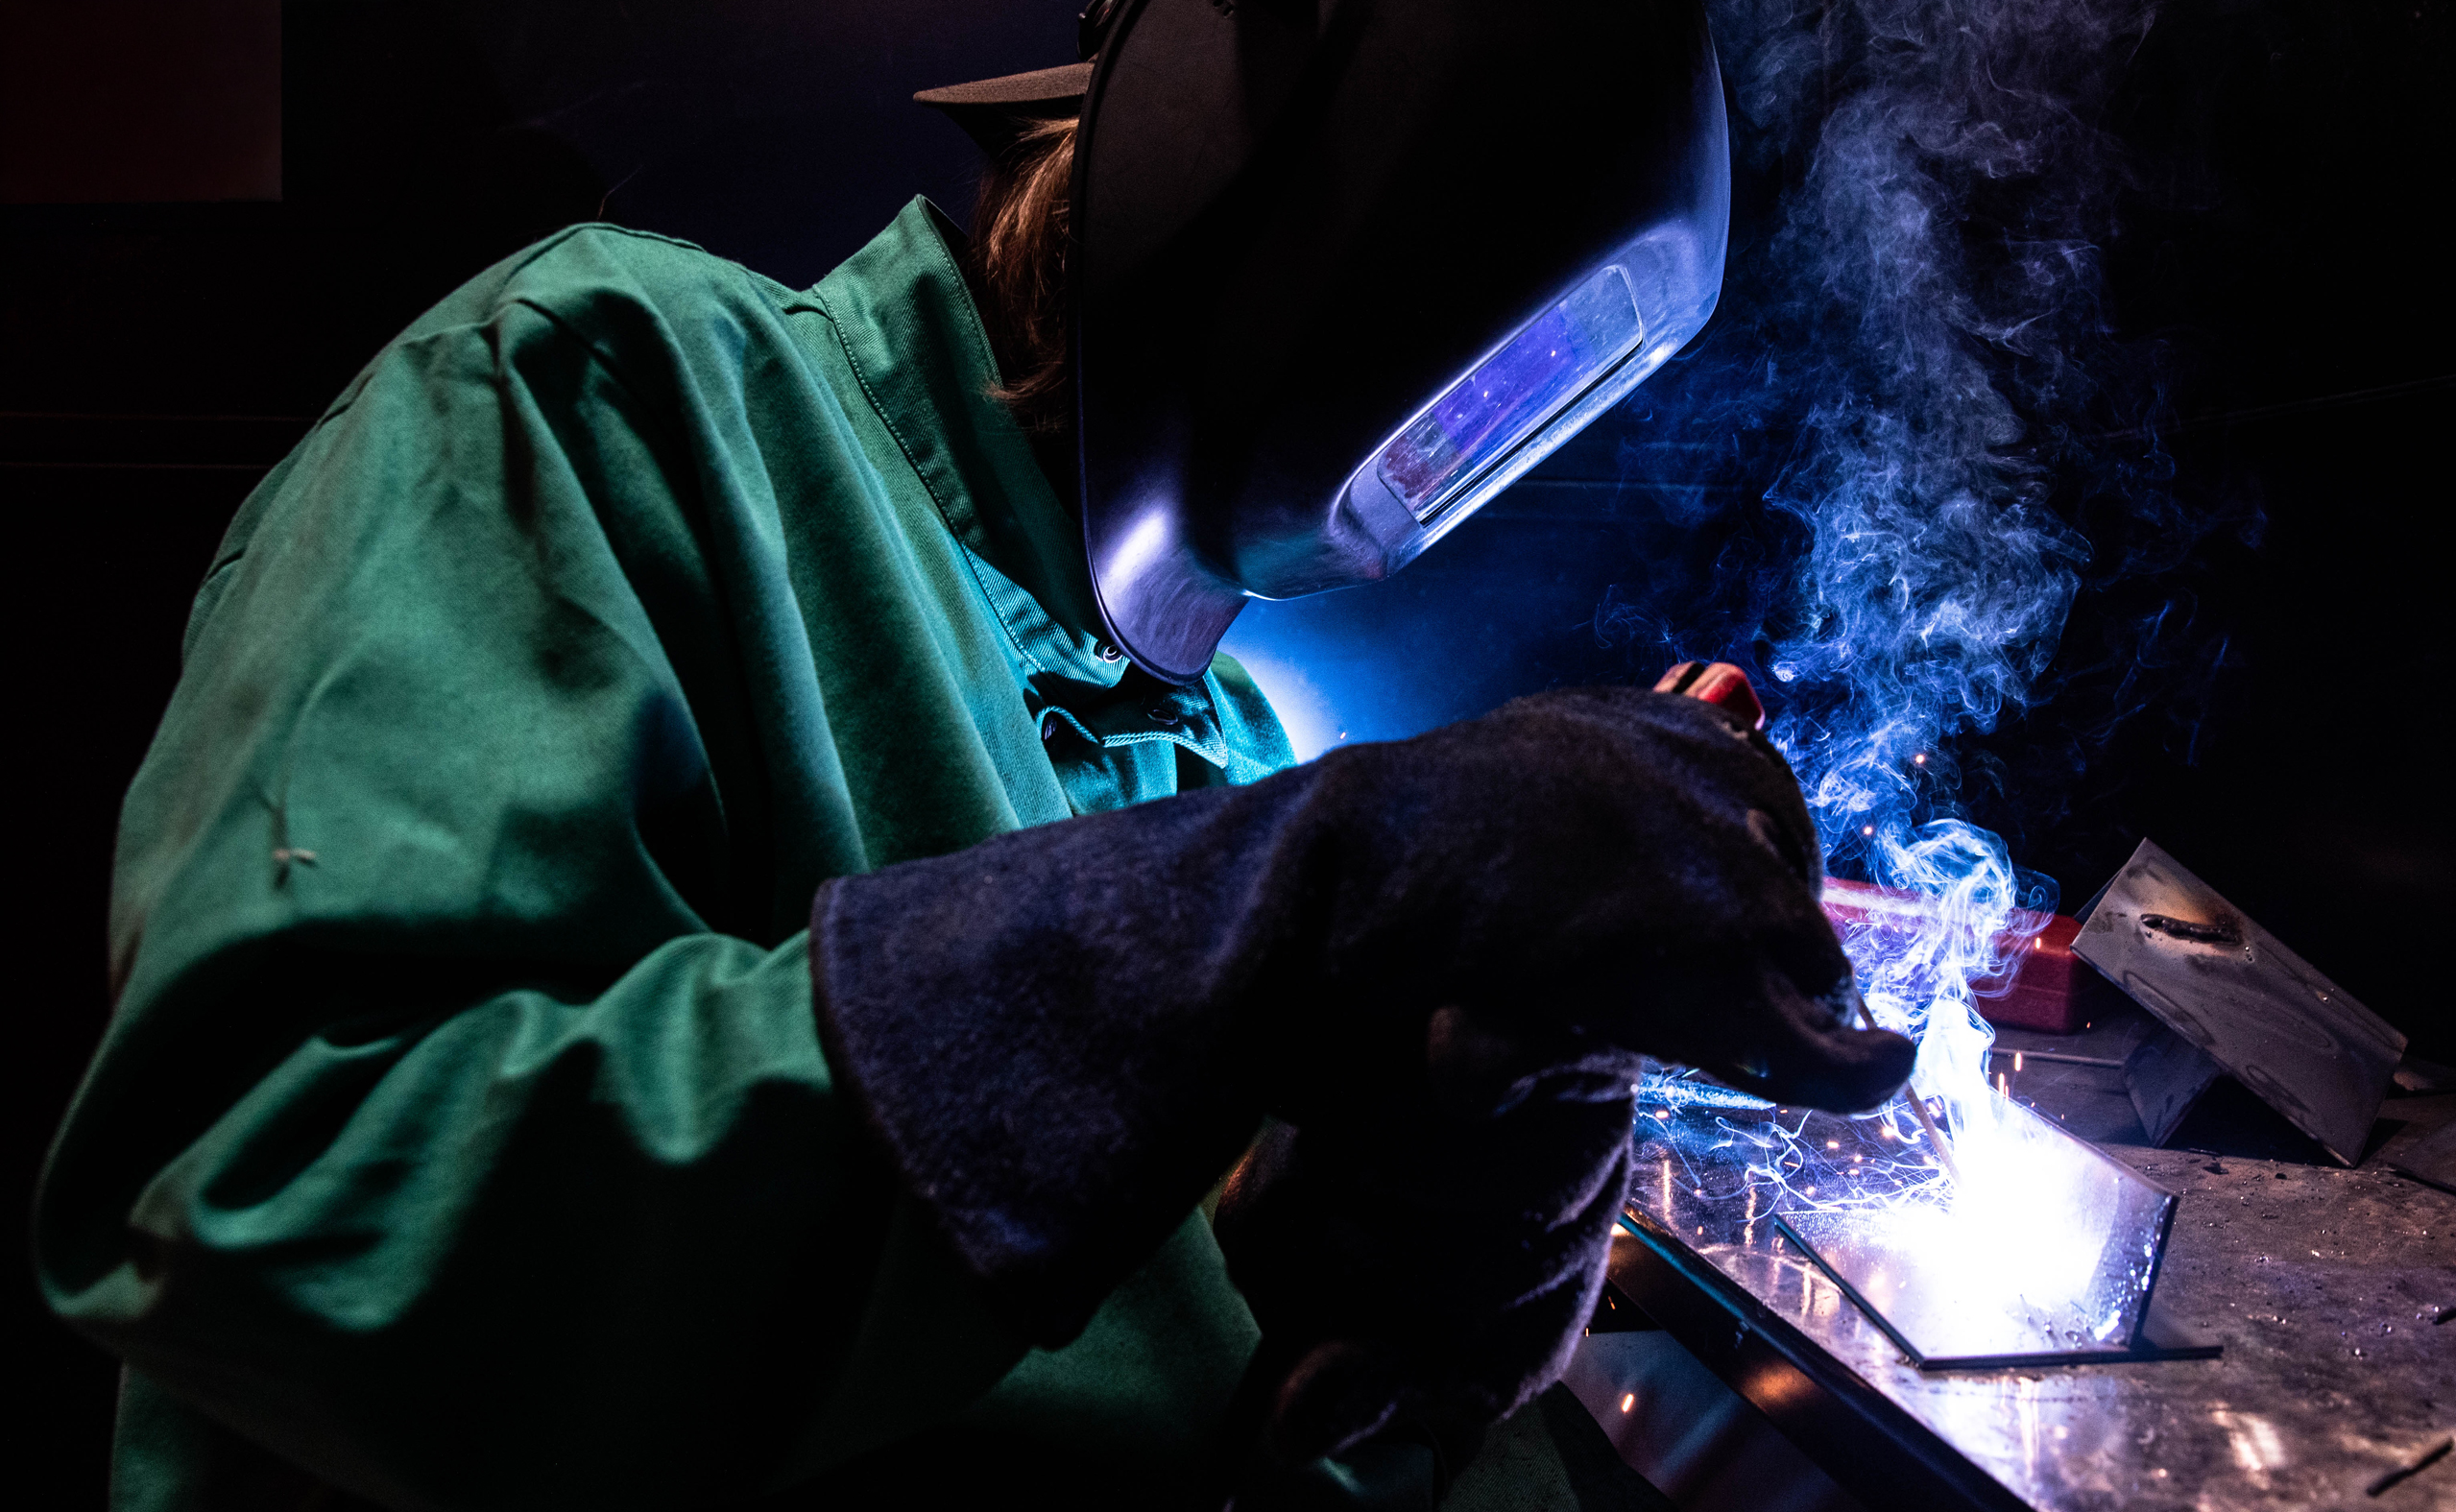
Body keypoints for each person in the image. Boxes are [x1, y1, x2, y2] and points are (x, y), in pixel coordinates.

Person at [36, 2, 1914, 1507]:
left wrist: (1417, 1274)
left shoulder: (1219, 742)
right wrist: (1242, 925)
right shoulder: (621, 382)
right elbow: (282, 1199)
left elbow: (1216, 1349)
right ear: (1263, 147)